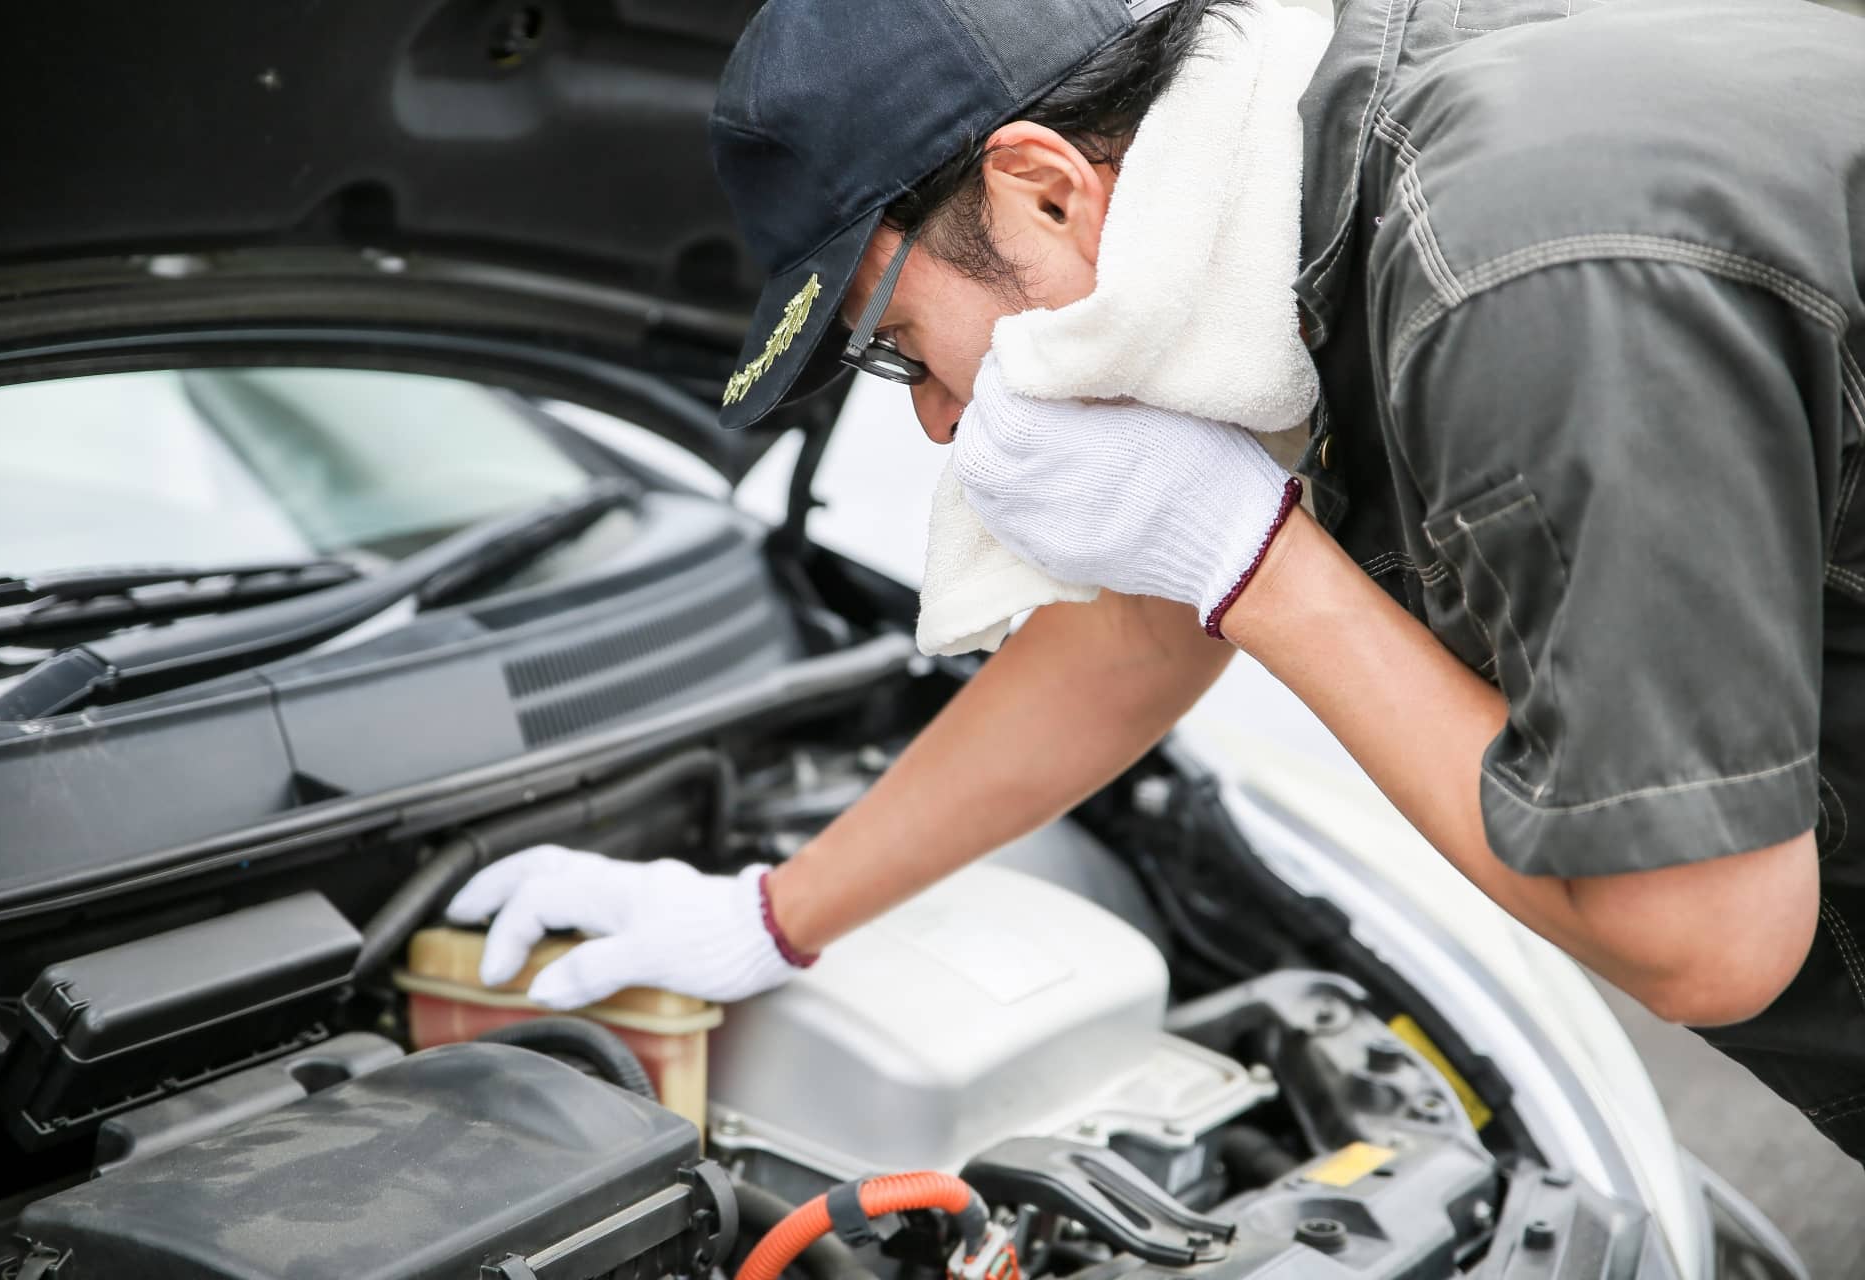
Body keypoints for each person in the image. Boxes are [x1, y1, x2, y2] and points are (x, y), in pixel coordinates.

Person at [446, 0, 1865, 1159]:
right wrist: (768, 915)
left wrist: (1264, 569)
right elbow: (1140, 628)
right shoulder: (1305, 154)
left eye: (891, 346)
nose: (936, 420)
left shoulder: (1521, 281)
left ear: (1046, 189)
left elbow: (1705, 935)